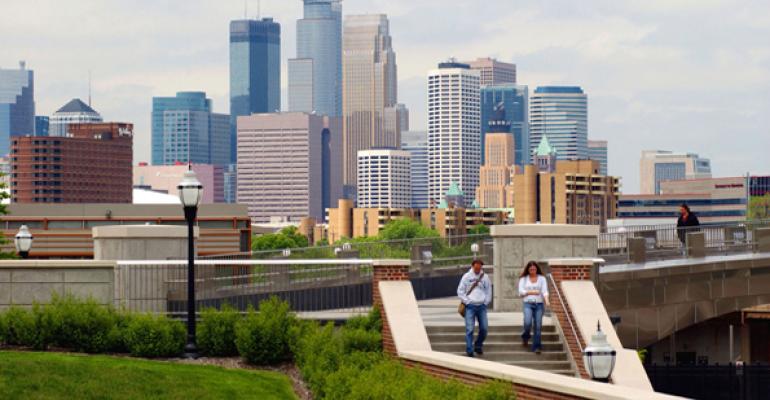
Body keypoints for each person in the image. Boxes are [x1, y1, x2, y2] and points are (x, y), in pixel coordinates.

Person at [457, 259, 492, 357]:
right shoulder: (466, 277)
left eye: (479, 268)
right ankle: (469, 349)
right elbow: (460, 291)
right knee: (470, 329)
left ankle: (478, 345)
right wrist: (467, 301)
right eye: (476, 268)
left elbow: (489, 290)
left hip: (481, 306)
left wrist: (486, 302)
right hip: (470, 306)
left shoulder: (485, 277)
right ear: (472, 266)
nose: (478, 270)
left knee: (484, 328)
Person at [518, 261, 549, 354]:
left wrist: (547, 300)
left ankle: (537, 347)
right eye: (531, 269)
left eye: (534, 269)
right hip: (528, 304)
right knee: (527, 323)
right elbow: (520, 292)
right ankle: (525, 337)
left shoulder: (542, 279)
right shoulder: (523, 279)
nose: (533, 271)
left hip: (539, 304)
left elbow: (544, 291)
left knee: (538, 326)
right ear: (528, 270)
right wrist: (531, 292)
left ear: (537, 269)